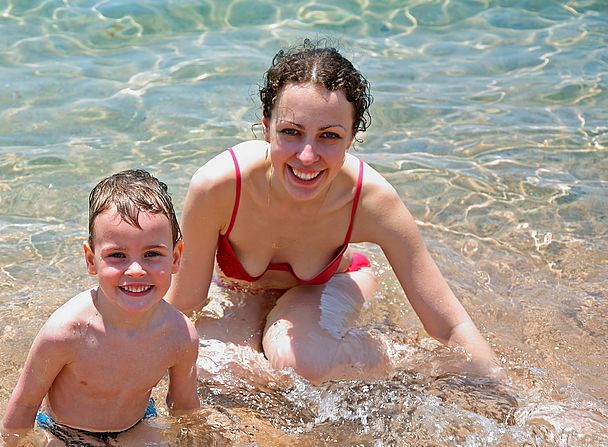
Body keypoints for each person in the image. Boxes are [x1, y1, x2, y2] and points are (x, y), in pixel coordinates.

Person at [166, 39, 502, 384]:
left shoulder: (371, 200)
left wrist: (499, 387)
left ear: (352, 137)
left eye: (328, 135)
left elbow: (448, 322)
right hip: (244, 291)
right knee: (211, 367)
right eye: (291, 132)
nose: (307, 156)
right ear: (267, 128)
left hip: (332, 284)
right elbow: (187, 297)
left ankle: (405, 360)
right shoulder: (220, 186)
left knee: (300, 360)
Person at [1, 170, 200, 447]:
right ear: (91, 259)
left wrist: (205, 442)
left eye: (153, 253)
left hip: (136, 426)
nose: (136, 270)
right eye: (117, 256)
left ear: (176, 256)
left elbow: (183, 404)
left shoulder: (179, 334)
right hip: (65, 434)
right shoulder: (67, 332)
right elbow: (26, 401)